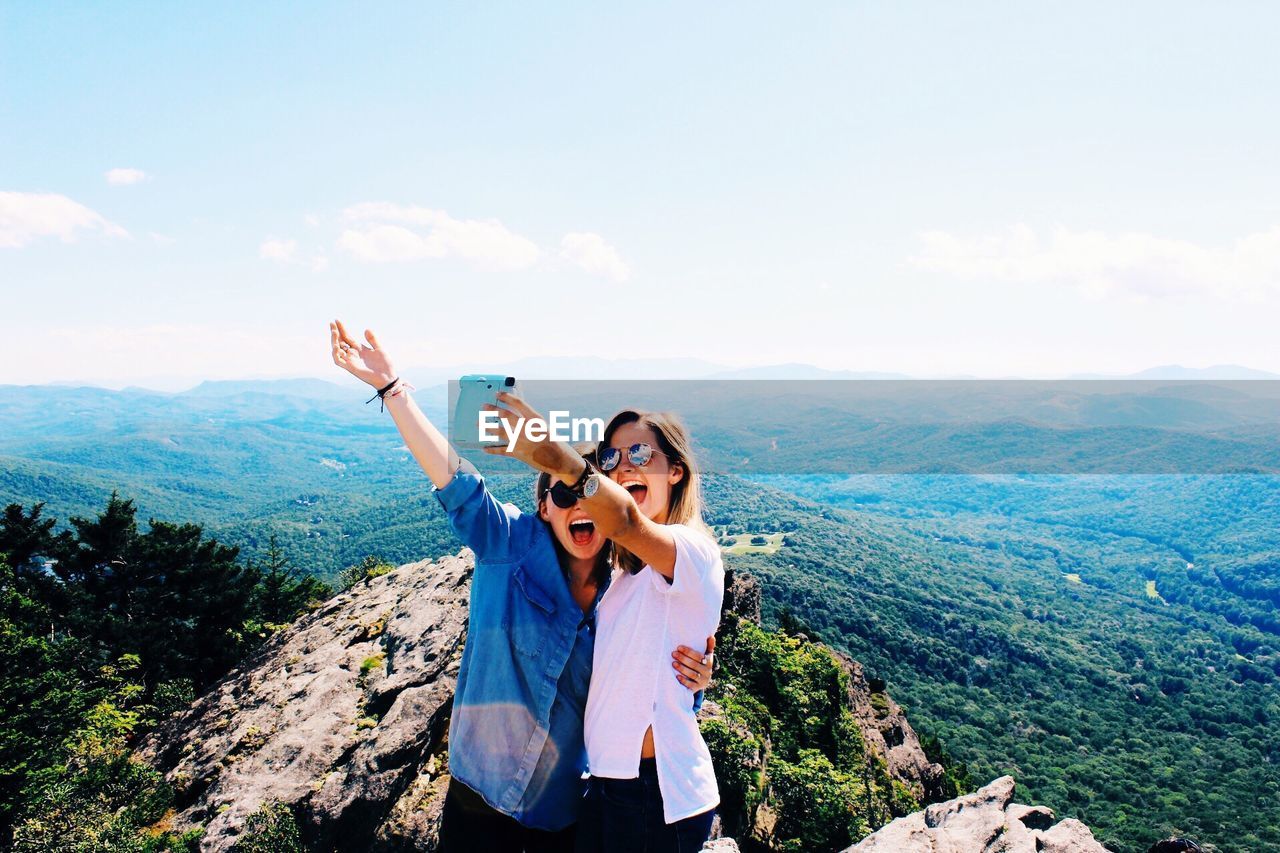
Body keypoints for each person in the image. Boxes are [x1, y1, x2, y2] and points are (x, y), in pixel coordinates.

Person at [328, 321, 715, 853]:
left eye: (587, 497)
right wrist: (392, 389)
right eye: (561, 495)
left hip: (564, 808)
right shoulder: (509, 545)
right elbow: (454, 479)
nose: (576, 505)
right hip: (480, 794)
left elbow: (651, 670)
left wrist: (695, 677)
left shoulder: (623, 588)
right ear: (542, 509)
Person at [486, 395, 725, 853]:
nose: (625, 466)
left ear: (676, 470)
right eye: (614, 457)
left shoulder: (693, 550)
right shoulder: (623, 574)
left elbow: (625, 521)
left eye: (641, 454)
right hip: (608, 784)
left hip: (657, 796)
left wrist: (557, 456)